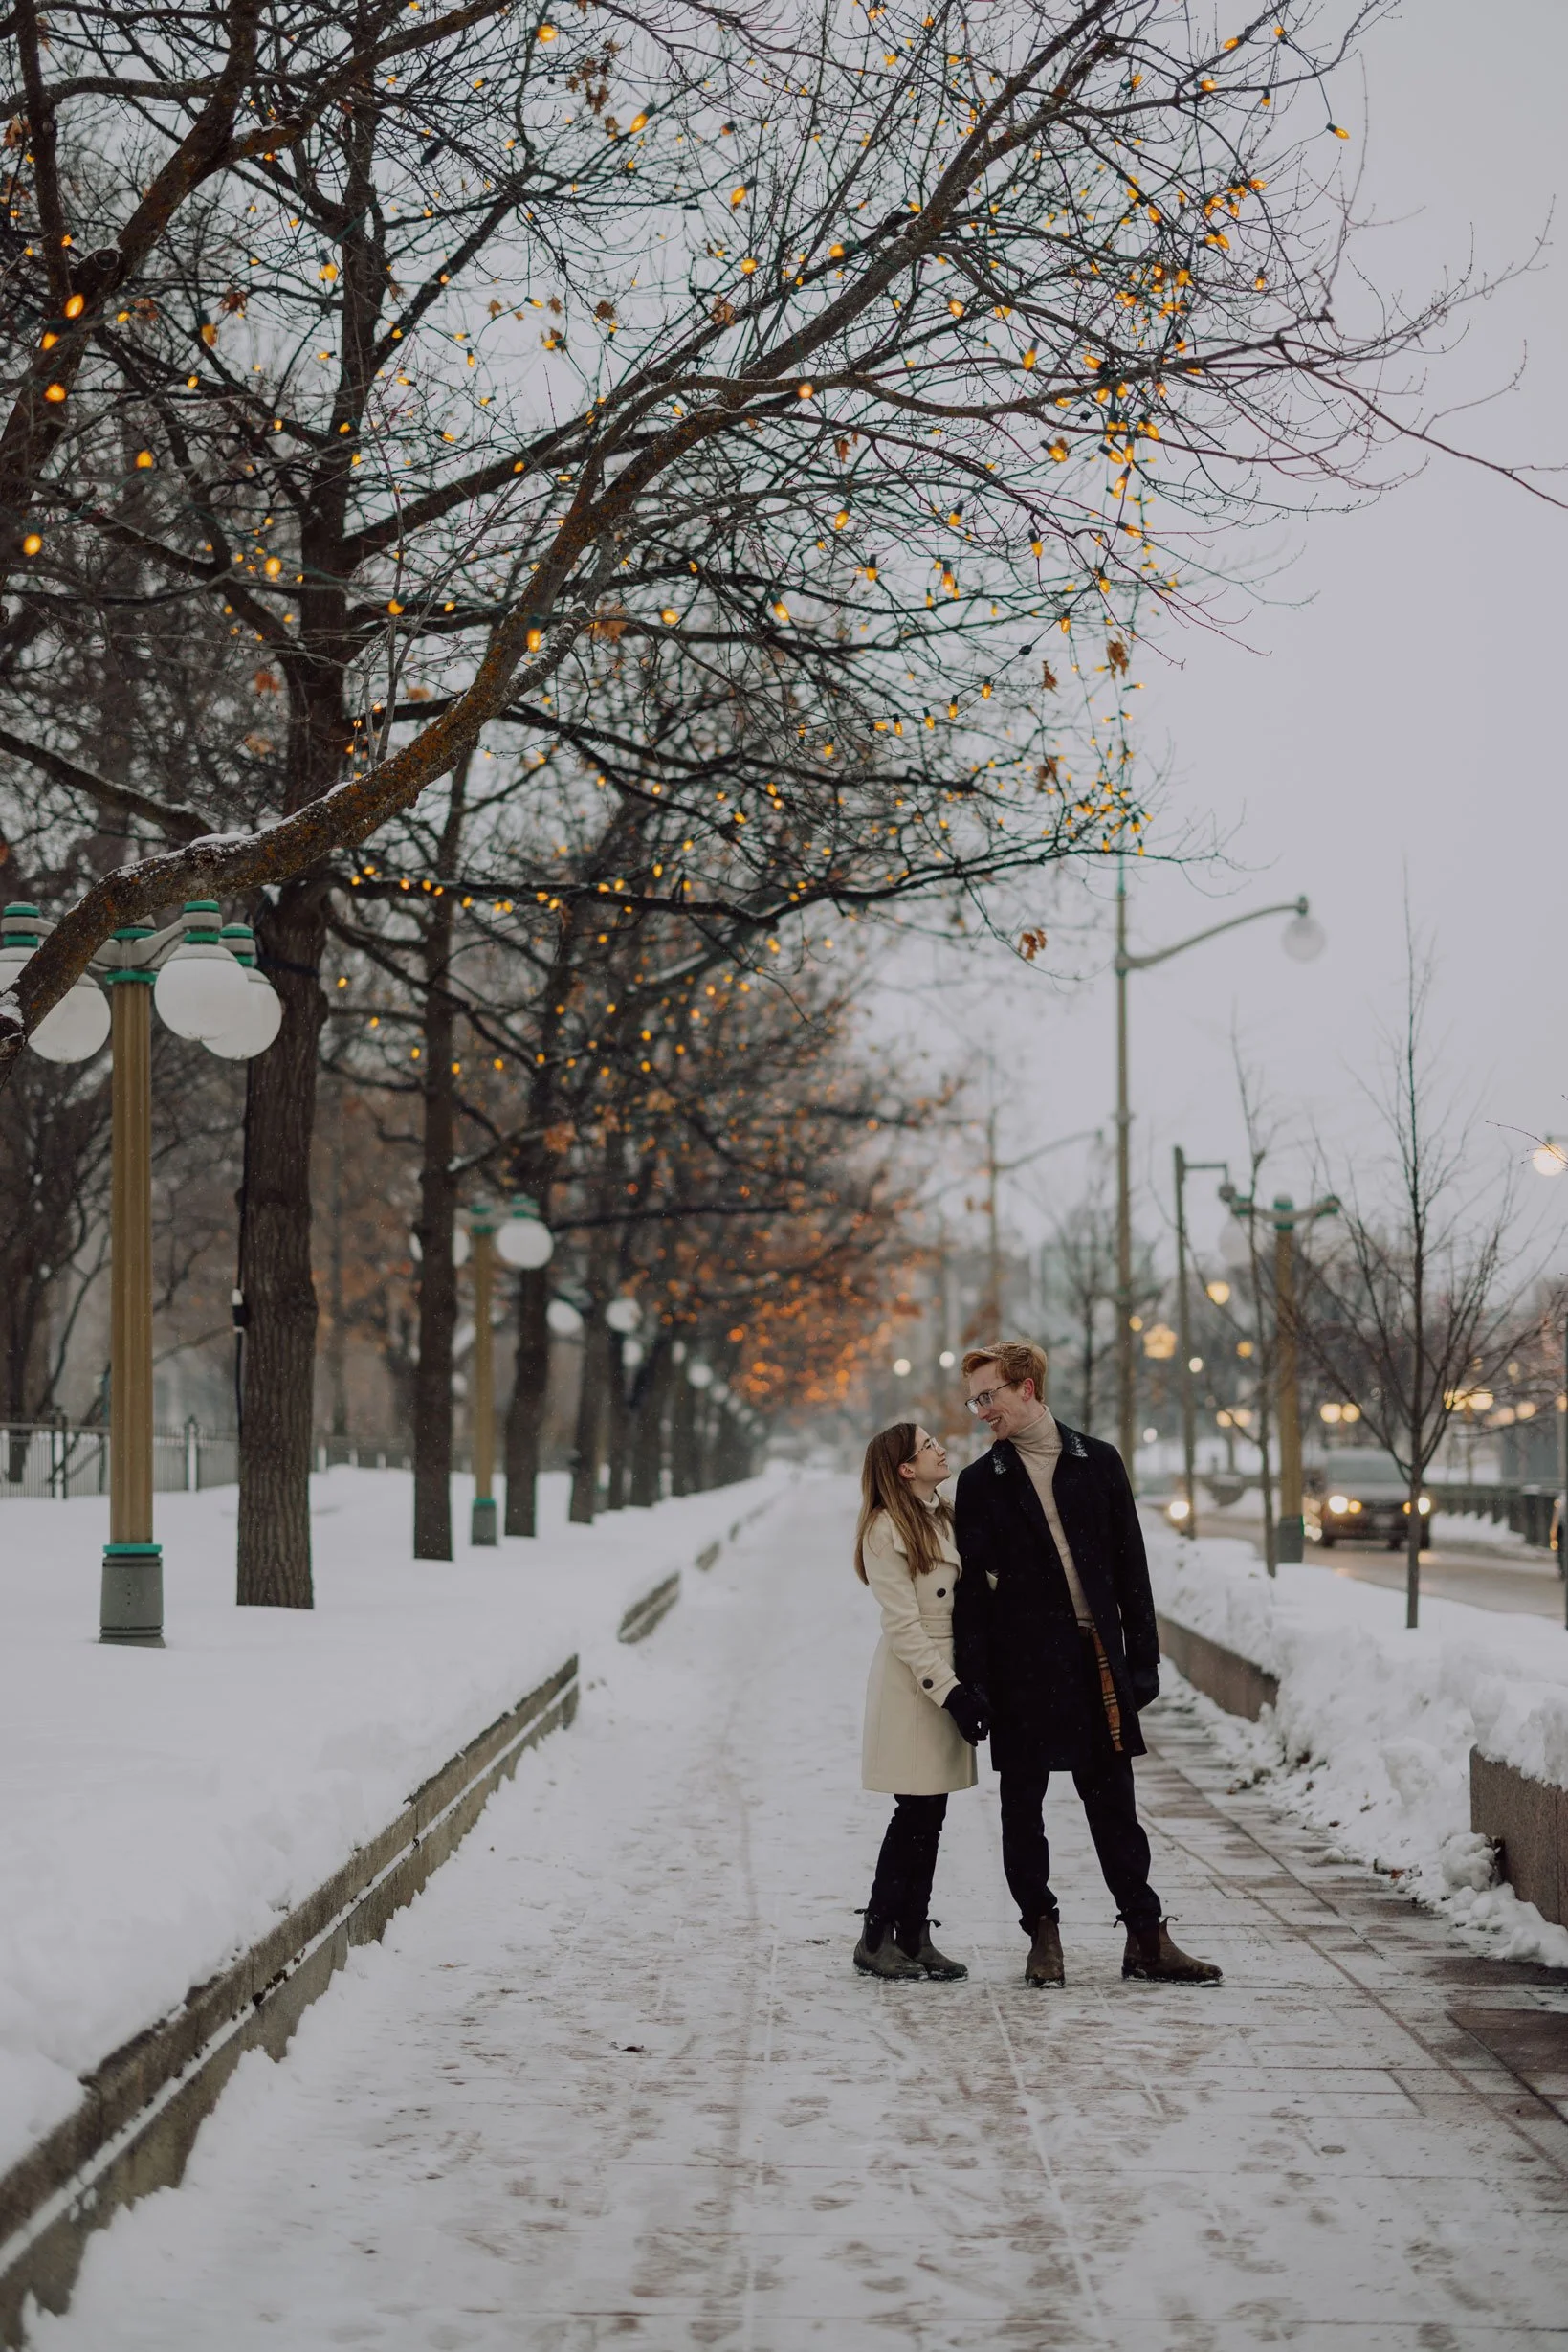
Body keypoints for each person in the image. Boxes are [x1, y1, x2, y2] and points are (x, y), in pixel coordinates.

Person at [951, 1342, 1222, 1988]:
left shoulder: (1096, 1462)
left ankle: (1146, 1937)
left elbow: (1132, 1566)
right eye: (973, 1400)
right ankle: (1041, 1934)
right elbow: (971, 1596)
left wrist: (1144, 1658)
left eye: (988, 1395)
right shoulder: (980, 1482)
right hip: (1020, 1668)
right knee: (1022, 1808)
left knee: (1114, 1805)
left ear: (1026, 1388)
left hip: (1094, 1659)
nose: (980, 1410)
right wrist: (973, 1682)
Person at [852, 1421, 989, 1982]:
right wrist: (951, 1692)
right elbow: (904, 1628)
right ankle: (875, 1935)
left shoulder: (943, 1515)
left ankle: (913, 1933)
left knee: (931, 1813)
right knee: (913, 1810)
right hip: (916, 1683)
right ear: (906, 1468)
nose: (941, 1448)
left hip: (947, 1670)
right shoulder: (885, 1529)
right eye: (928, 1445)